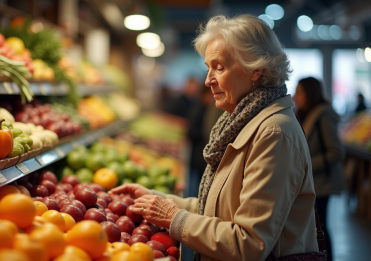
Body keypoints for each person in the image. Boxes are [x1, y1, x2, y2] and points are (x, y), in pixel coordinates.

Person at [110, 14, 319, 261]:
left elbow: (250, 244)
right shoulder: (242, 121)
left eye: (219, 67)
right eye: (208, 68)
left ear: (255, 69)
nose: (208, 80)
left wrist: (174, 217)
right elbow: (219, 210)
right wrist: (157, 200)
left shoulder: (274, 133)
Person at [293, 77, 345, 261]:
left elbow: (336, 152)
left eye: (299, 92)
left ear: (310, 93)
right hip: (313, 182)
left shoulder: (322, 114)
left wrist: (306, 166)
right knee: (317, 226)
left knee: (320, 227)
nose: (294, 96)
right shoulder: (306, 114)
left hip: (322, 182)